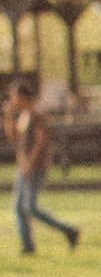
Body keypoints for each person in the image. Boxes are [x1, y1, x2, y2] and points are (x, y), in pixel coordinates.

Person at [9, 82, 78, 259]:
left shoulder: (37, 114)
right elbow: (14, 138)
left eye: (14, 97)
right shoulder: (24, 115)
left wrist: (28, 166)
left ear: (23, 96)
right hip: (24, 166)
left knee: (30, 207)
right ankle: (28, 247)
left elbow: (39, 142)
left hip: (35, 167)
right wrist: (8, 117)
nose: (12, 100)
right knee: (18, 207)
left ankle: (68, 230)